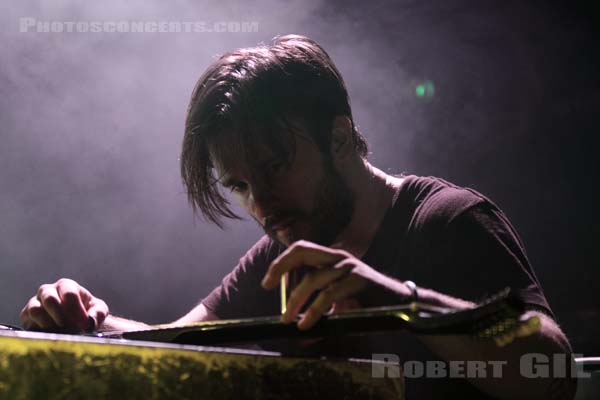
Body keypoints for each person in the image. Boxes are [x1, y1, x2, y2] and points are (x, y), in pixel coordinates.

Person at [20, 35, 576, 399]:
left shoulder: (448, 221)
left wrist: (399, 301)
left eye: (277, 166)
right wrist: (88, 322)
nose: (261, 204)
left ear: (337, 136)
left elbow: (553, 370)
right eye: (239, 185)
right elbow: (179, 346)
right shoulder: (283, 252)